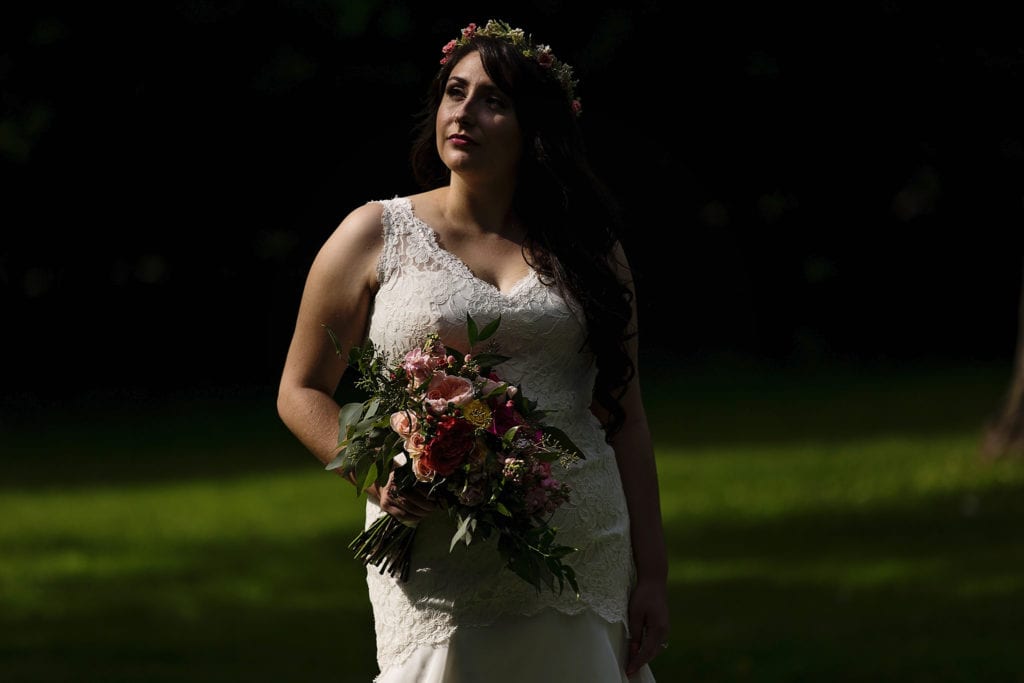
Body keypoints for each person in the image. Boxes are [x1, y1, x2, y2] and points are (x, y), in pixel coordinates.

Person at [277, 19, 669, 682]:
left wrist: (653, 572)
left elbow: (624, 413)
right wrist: (374, 472)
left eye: (494, 100)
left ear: (534, 127)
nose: (464, 112)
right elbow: (300, 389)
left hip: (578, 541)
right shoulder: (375, 232)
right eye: (454, 93)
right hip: (433, 548)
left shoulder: (591, 251)